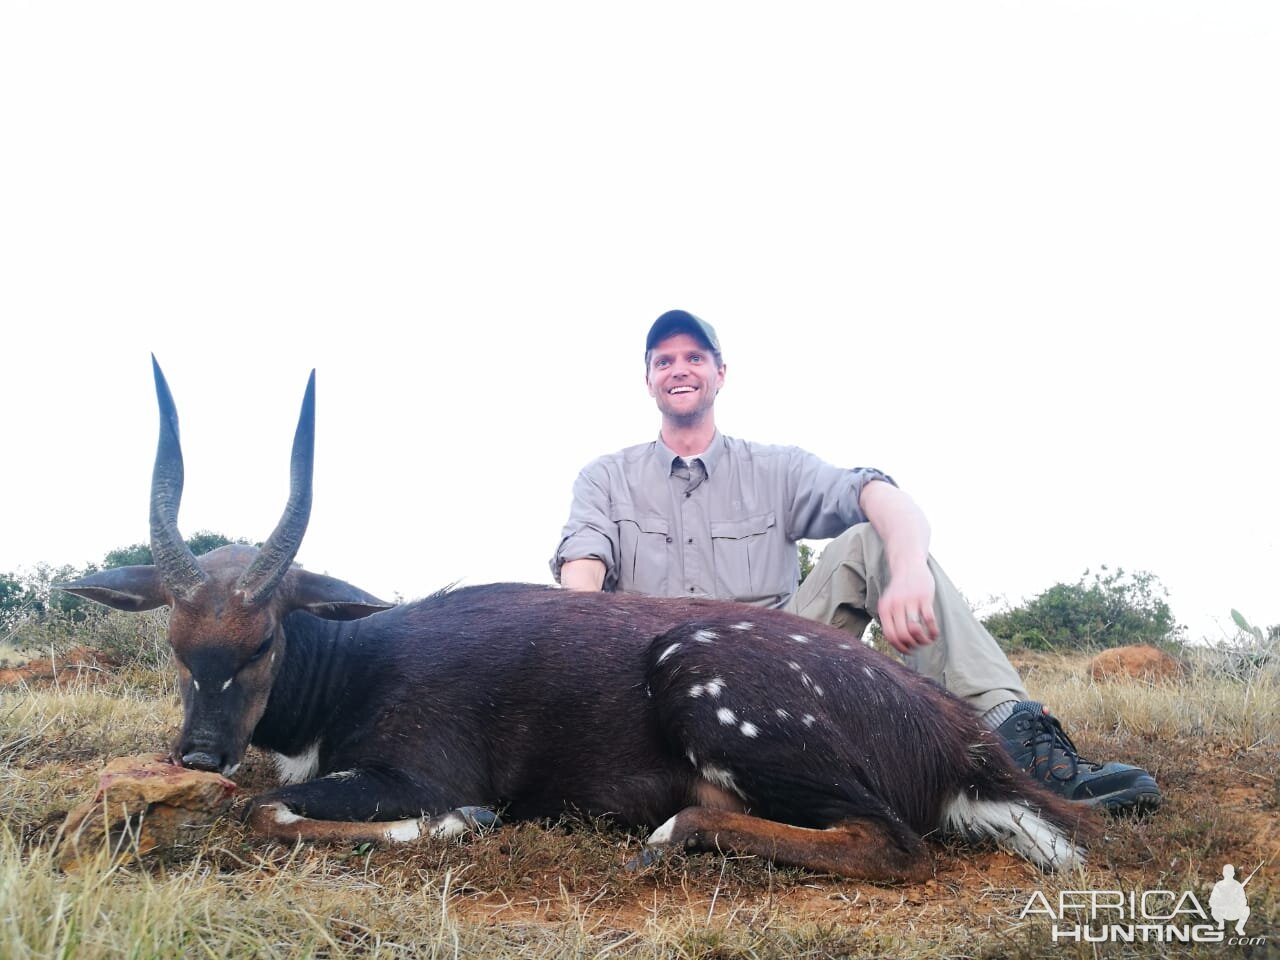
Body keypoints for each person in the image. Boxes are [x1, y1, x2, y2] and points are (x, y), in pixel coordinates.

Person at [550, 309, 1161, 812]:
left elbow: (876, 492)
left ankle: (1018, 740)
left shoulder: (776, 468)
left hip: (773, 652)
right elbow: (583, 567)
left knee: (872, 540)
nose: (679, 369)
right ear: (649, 379)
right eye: (664, 360)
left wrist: (910, 566)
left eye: (693, 357)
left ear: (720, 373)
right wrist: (586, 650)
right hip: (659, 673)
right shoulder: (605, 477)